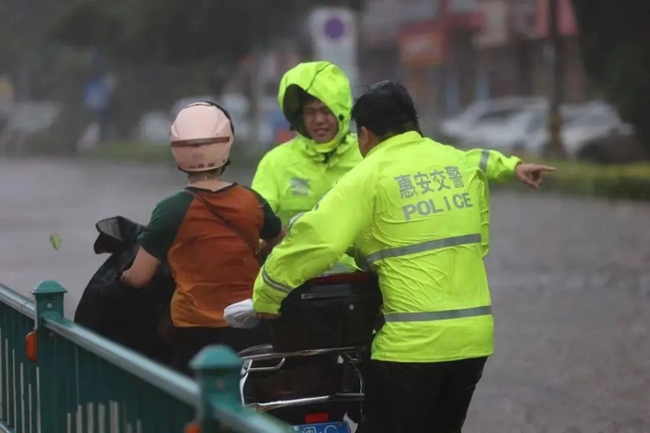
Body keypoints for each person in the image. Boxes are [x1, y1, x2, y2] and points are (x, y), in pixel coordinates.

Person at [253, 81, 502, 432]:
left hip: (409, 347)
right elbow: (477, 243)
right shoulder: (460, 164)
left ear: (365, 134)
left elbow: (316, 242)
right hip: (473, 340)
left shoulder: (368, 174)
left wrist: (266, 295)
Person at [251, 61, 554, 234]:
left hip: (366, 280)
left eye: (325, 110)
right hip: (301, 283)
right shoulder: (276, 163)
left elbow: (453, 160)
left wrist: (511, 167)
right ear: (298, 116)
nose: (318, 120)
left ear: (342, 110)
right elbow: (255, 215)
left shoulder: (370, 149)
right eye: (309, 112)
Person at [121, 101, 284, 376]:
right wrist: (259, 252)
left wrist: (121, 275)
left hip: (194, 338)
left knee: (189, 410)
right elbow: (280, 242)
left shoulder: (171, 210)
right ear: (227, 143)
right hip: (250, 329)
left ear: (177, 149)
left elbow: (138, 278)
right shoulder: (252, 201)